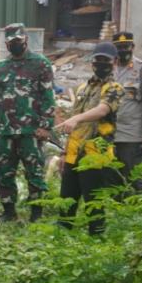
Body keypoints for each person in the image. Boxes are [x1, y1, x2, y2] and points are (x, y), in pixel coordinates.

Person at [0, 23, 55, 222]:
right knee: (3, 172)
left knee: (34, 172)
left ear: (26, 40)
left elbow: (48, 96)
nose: (15, 45)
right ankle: (8, 211)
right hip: (5, 131)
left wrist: (45, 125)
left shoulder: (40, 64)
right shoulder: (0, 67)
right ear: (6, 43)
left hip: (31, 131)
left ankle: (36, 213)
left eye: (18, 41)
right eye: (11, 42)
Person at [55, 42, 124, 235]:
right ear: (91, 62)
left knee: (94, 203)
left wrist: (76, 118)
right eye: (97, 60)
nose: (101, 64)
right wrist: (63, 152)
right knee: (66, 201)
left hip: (96, 155)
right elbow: (73, 122)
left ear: (115, 62)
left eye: (106, 61)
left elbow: (102, 110)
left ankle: (96, 240)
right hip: (73, 153)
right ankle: (61, 236)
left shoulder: (115, 88)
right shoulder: (82, 88)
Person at [112, 31, 142, 192]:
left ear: (132, 47)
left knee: (135, 178)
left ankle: (138, 211)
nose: (122, 51)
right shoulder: (108, 68)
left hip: (133, 134)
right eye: (119, 47)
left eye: (126, 47)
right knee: (113, 179)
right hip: (110, 134)